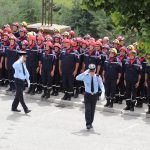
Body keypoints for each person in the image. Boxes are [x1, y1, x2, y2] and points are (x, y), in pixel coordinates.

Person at [76, 64, 105, 130]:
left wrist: (103, 93)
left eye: (93, 71)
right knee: (88, 110)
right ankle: (88, 124)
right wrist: (84, 72)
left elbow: (101, 85)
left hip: (94, 95)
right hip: (87, 95)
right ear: (89, 70)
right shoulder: (85, 76)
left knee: (92, 110)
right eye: (90, 71)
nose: (92, 72)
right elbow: (77, 78)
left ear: (95, 70)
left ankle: (91, 122)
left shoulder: (97, 77)